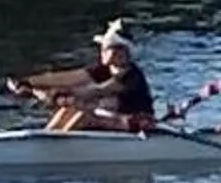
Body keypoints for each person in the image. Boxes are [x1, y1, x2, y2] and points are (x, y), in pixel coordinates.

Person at [18, 22, 156, 133]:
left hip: (137, 121)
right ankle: (47, 140)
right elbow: (68, 77)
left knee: (84, 116)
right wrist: (28, 82)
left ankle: (57, 150)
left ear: (121, 53)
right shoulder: (103, 69)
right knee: (68, 110)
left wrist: (55, 95)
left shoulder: (131, 76)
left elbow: (97, 91)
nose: (101, 51)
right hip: (113, 116)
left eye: (106, 48)